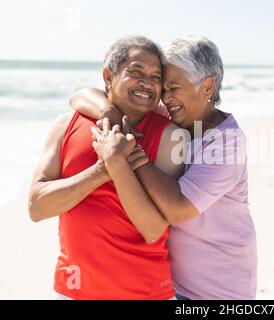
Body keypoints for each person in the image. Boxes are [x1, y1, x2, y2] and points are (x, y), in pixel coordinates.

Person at [71, 35, 257, 300]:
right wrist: (108, 112)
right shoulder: (174, 116)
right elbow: (80, 95)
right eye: (164, 87)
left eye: (173, 87)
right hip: (171, 287)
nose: (165, 97)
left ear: (206, 87)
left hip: (217, 291)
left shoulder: (226, 143)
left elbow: (178, 209)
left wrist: (128, 150)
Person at [28, 35, 184, 299]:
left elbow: (153, 229)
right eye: (136, 72)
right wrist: (102, 170)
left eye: (156, 76)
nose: (147, 83)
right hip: (74, 291)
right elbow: (37, 207)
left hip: (145, 293)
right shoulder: (65, 125)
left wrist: (117, 161)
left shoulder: (172, 136)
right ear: (108, 76)